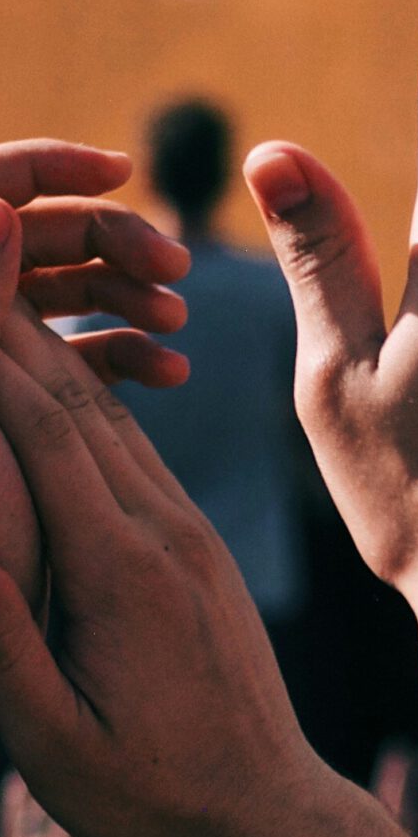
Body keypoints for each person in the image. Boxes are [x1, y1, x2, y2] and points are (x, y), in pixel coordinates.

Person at [132, 97, 307, 631]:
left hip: (135, 578)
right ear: (225, 176)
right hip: (253, 575)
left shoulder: (98, 302)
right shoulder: (273, 293)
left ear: (150, 174)